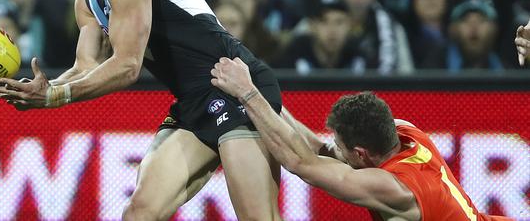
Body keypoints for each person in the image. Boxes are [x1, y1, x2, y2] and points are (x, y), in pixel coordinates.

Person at [0, 0, 283, 220]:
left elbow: (128, 67)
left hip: (237, 89)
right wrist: (47, 88)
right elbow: (86, 67)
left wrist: (53, 97)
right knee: (139, 213)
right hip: (195, 101)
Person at [210, 58, 513, 221]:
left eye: (341, 148)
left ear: (361, 154)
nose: (333, 148)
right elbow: (319, 150)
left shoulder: (395, 189)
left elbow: (300, 162)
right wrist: (263, 96)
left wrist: (247, 94)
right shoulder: (404, 130)